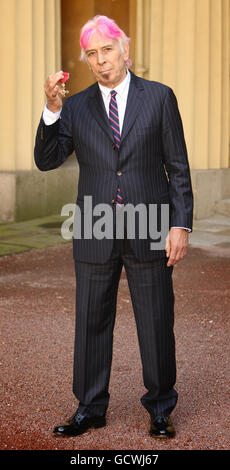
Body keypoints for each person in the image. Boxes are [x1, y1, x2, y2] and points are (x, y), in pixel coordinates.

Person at [34, 15, 193, 439]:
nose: (101, 60)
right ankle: (90, 408)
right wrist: (51, 110)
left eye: (107, 49)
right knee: (90, 322)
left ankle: (160, 407)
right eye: (92, 54)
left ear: (125, 49)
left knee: (157, 321)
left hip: (151, 226)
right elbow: (47, 160)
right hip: (94, 227)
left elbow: (177, 165)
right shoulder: (75, 107)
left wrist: (181, 225)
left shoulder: (160, 98)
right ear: (86, 61)